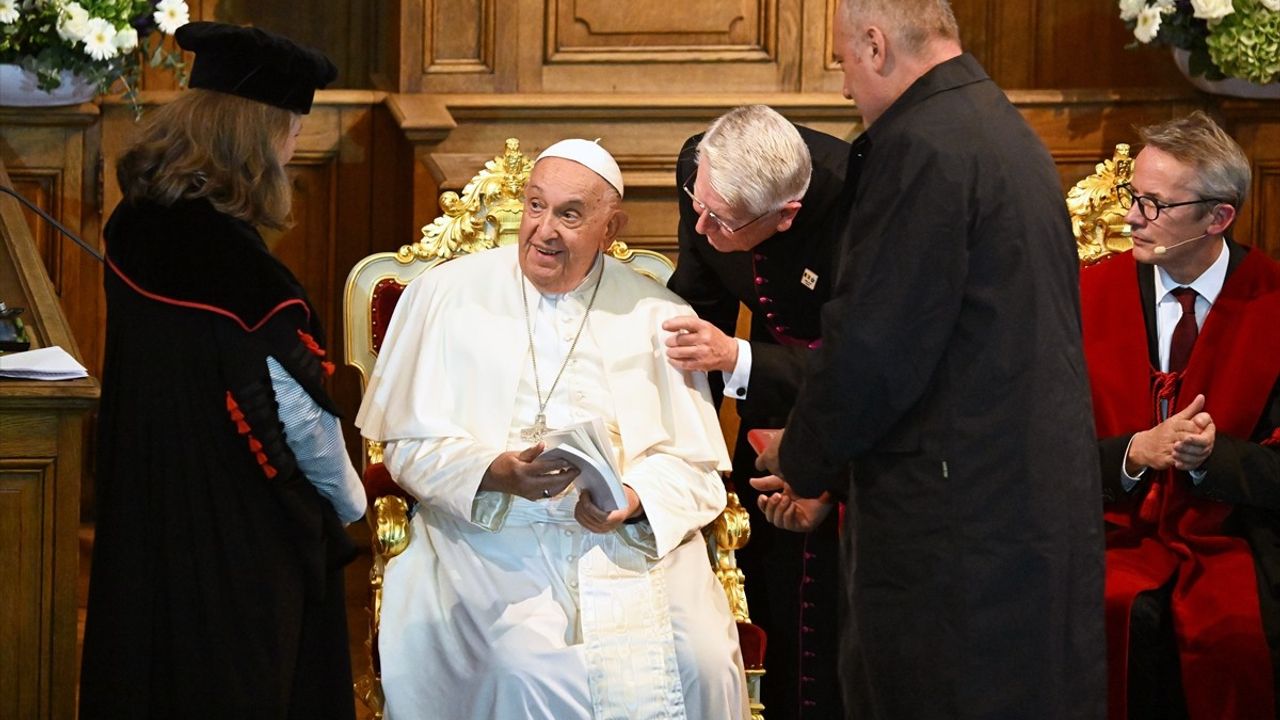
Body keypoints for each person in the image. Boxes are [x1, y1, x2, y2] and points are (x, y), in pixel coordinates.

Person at [752, 1, 1106, 717]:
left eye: (846, 61)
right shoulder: (1001, 128)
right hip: (1021, 506)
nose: (846, 86)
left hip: (953, 530)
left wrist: (804, 461)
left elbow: (876, 346)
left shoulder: (921, 147)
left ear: (876, 45)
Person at [355, 138, 749, 719]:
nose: (543, 230)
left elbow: (696, 470)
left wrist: (635, 499)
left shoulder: (658, 313)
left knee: (704, 660)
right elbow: (406, 449)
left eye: (569, 214)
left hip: (627, 542)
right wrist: (495, 471)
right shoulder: (444, 296)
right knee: (522, 670)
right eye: (535, 206)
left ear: (610, 228)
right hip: (490, 533)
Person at [78, 22, 365, 720]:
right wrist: (353, 508)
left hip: (143, 512)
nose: (296, 149)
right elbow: (303, 428)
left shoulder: (135, 225)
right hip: (231, 544)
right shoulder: (247, 277)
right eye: (292, 131)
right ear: (259, 137)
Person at [1081, 111, 1280, 720]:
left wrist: (1209, 459)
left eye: (1155, 204)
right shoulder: (1084, 297)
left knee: (1239, 632)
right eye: (1131, 196)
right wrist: (1133, 453)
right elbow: (1034, 448)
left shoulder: (1274, 302)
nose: (1132, 217)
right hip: (1106, 526)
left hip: (1242, 536)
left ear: (1218, 217)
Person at [665, 103, 849, 720]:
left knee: (829, 618)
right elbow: (699, 302)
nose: (702, 222)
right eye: (699, 202)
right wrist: (686, 457)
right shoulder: (705, 170)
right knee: (765, 582)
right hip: (762, 406)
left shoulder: (859, 203)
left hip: (852, 424)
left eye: (722, 220)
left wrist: (739, 357)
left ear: (785, 214)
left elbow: (864, 358)